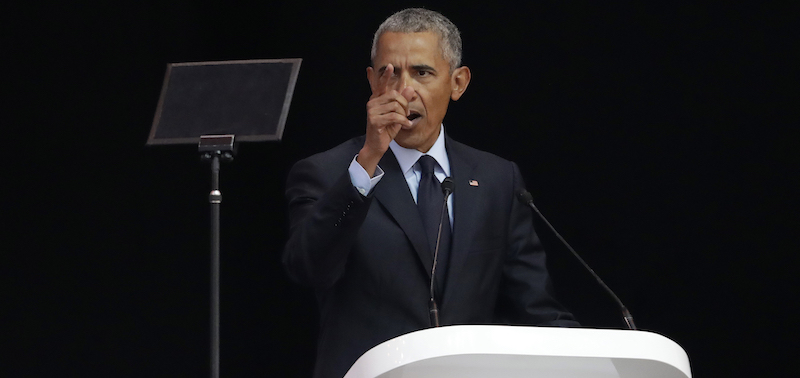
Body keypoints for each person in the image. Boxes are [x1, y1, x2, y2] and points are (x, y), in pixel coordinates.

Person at [283, 8, 578, 378]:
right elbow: (309, 268)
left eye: (422, 73)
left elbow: (535, 308)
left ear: (458, 83)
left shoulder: (497, 179)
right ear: (372, 81)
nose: (405, 91)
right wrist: (369, 159)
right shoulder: (328, 173)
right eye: (390, 74)